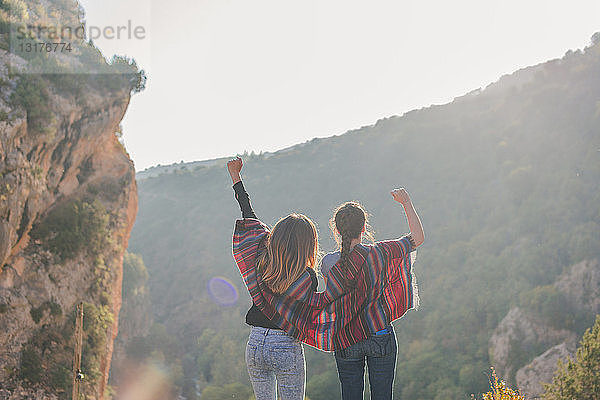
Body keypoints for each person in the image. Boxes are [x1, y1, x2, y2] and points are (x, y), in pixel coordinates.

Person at [228, 156, 318, 400]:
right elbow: (310, 315)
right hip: (285, 345)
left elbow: (250, 216)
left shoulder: (261, 260)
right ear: (307, 244)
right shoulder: (307, 277)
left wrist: (236, 177)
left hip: (255, 343)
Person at [320, 196, 424, 400]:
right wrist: (406, 203)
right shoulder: (381, 253)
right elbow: (417, 238)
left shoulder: (328, 263)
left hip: (346, 338)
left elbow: (332, 300)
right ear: (364, 226)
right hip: (380, 333)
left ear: (337, 229)